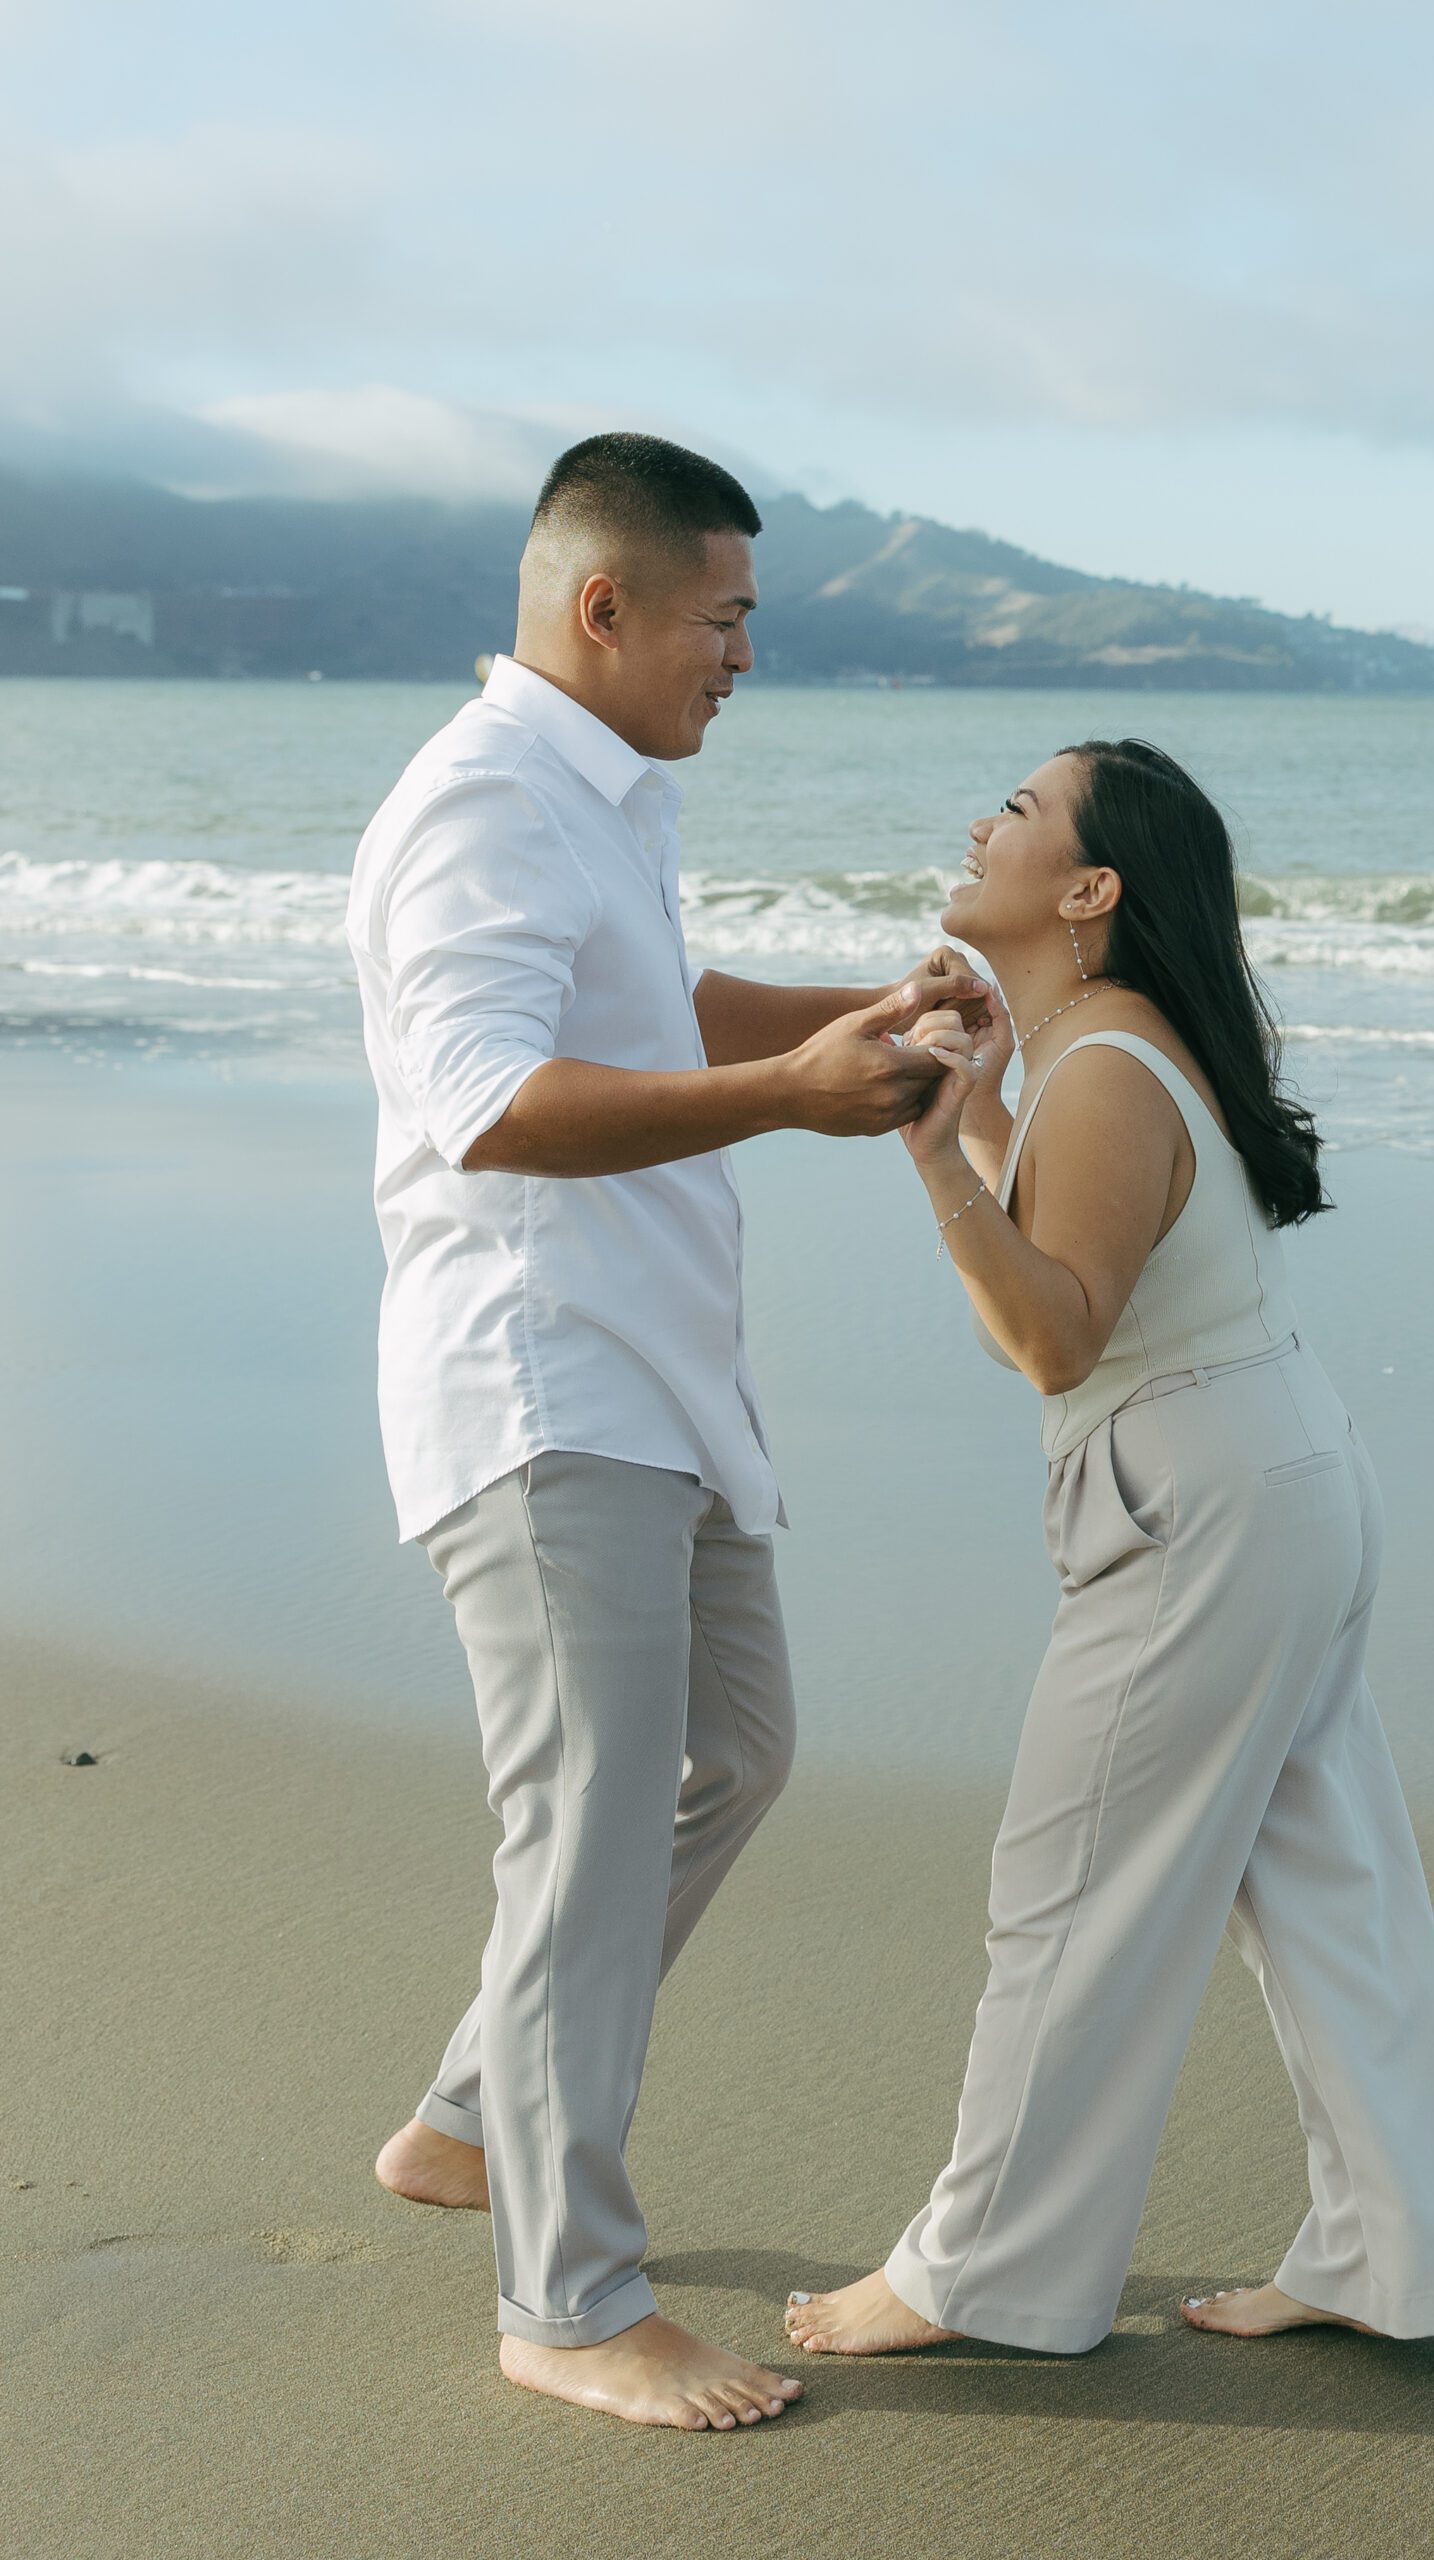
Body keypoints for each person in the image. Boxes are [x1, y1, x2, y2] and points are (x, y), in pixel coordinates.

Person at [347, 431, 981, 2431]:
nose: (740, 658)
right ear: (600, 606)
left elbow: (658, 999)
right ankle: (566, 2293)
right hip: (544, 1381)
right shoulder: (478, 805)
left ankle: (469, 2114)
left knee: (732, 1749)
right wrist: (795, 1097)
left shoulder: (596, 796)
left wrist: (848, 1016)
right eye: (721, 620)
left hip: (652, 1371)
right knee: (592, 1818)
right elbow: (492, 1100)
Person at [785, 739, 1434, 2360]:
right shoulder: (1101, 1049)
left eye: (1019, 813)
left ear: (1089, 890)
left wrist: (918, 1158)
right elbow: (1061, 1258)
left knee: (1070, 1895)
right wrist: (968, 1120)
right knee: (1327, 1889)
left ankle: (978, 2276)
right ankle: (1389, 2260)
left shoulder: (1102, 1063)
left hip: (1197, 1505)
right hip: (1274, 1471)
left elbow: (1051, 1336)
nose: (979, 821)